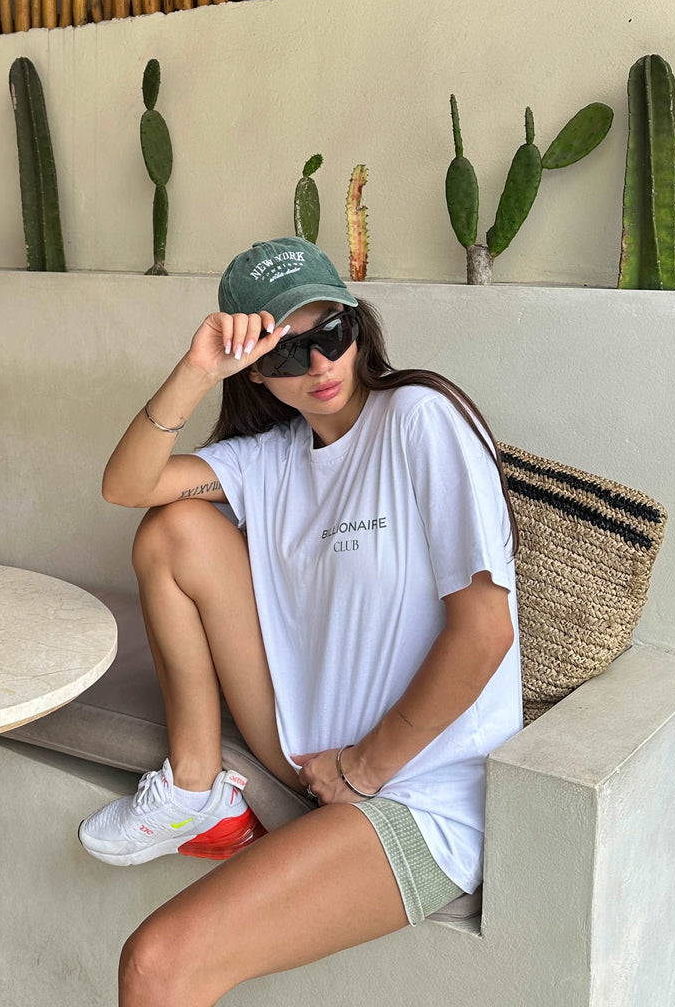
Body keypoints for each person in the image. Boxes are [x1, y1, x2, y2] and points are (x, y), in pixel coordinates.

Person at [81, 236, 524, 1006]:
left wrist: (362, 769)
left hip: (419, 797)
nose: (318, 367)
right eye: (288, 353)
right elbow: (128, 486)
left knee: (156, 965)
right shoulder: (272, 457)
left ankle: (284, 786)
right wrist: (194, 371)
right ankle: (195, 787)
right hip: (304, 754)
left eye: (331, 336)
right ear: (256, 368)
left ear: (358, 327)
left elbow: (485, 632)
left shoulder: (420, 421)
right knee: (167, 530)